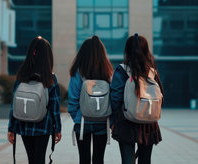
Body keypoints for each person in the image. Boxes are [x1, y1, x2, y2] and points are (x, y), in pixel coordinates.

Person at [7, 36, 62, 164]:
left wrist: (11, 128)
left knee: (31, 159)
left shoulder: (21, 76)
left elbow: (14, 105)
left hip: (24, 124)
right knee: (39, 159)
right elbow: (55, 107)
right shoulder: (50, 78)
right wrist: (57, 129)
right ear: (48, 56)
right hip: (43, 126)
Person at [110, 34, 164, 164]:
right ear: (146, 51)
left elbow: (115, 98)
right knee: (145, 160)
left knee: (128, 160)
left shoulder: (121, 71)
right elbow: (160, 95)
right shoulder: (152, 71)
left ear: (127, 51)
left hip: (126, 122)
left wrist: (114, 121)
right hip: (148, 123)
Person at [68, 35, 114, 164]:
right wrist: (111, 121)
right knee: (99, 159)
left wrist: (77, 118)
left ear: (82, 53)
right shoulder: (108, 73)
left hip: (82, 123)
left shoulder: (77, 72)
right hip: (102, 122)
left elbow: (72, 100)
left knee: (84, 160)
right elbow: (113, 99)